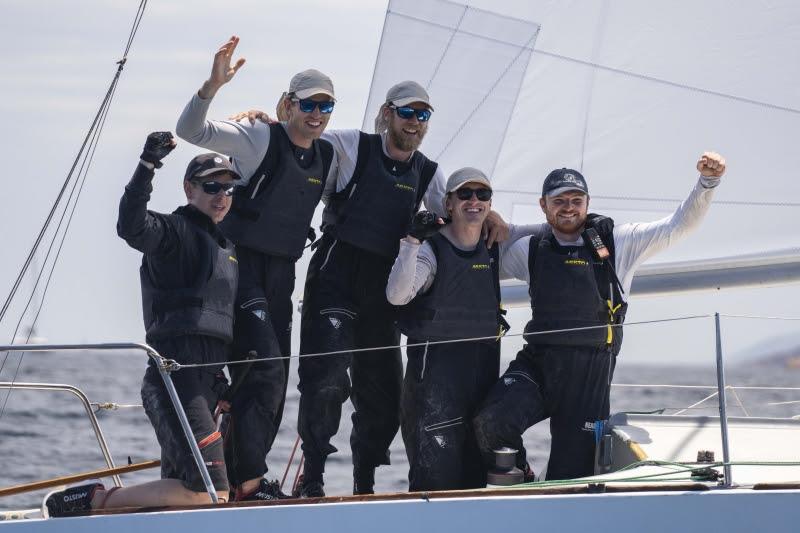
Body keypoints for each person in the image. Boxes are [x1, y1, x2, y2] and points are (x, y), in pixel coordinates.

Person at [472, 152, 727, 481]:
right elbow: (474, 252)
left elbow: (678, 226)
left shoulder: (620, 242)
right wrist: (488, 215)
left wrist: (707, 183)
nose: (568, 207)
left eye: (576, 200)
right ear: (543, 205)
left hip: (589, 374)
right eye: (559, 200)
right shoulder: (529, 249)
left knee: (569, 476)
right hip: (538, 363)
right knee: (490, 422)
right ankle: (524, 478)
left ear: (588, 202)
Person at [43, 132, 240, 517]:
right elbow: (130, 225)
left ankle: (105, 516)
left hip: (206, 381)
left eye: (229, 189)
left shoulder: (226, 248)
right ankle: (93, 501)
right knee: (210, 492)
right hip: (175, 380)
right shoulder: (172, 232)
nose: (221, 196)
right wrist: (147, 166)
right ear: (188, 189)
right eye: (212, 186)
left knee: (189, 496)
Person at [175, 36, 337, 500]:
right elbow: (192, 131)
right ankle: (246, 482)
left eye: (326, 106)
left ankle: (235, 477)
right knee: (263, 366)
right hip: (238, 269)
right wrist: (212, 87)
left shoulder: (328, 154)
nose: (317, 114)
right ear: (288, 104)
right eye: (308, 104)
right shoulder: (259, 136)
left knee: (271, 376)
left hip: (281, 276)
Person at [386, 167, 533, 491]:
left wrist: (590, 224)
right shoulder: (431, 250)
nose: (474, 201)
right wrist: (411, 241)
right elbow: (397, 295)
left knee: (475, 482)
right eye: (465, 194)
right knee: (433, 484)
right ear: (448, 203)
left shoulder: (494, 243)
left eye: (483, 195)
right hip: (433, 391)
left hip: (479, 383)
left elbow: (551, 230)